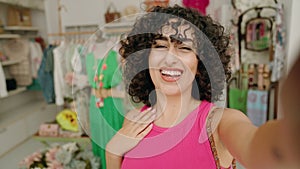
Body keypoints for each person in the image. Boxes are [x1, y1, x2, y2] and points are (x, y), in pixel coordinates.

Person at [105, 5, 300, 169]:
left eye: (184, 48)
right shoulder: (135, 120)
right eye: (160, 46)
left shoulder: (220, 122)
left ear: (201, 63)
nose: (169, 58)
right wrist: (112, 153)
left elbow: (257, 148)